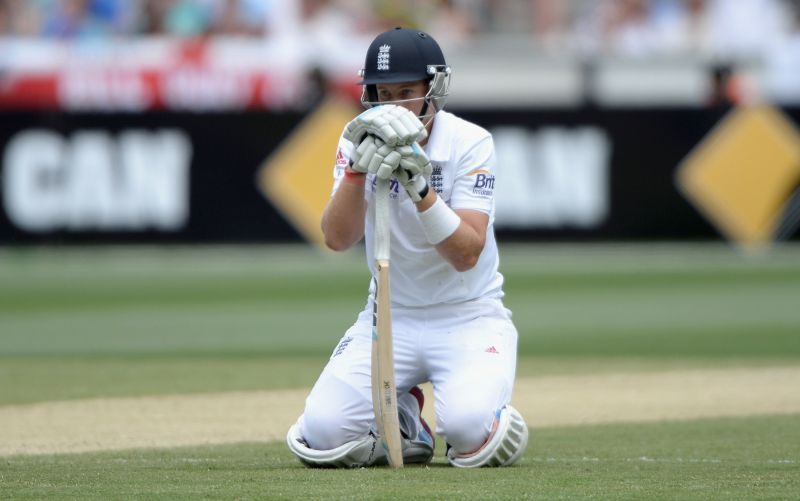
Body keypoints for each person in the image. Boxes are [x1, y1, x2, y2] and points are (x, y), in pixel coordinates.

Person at [286, 27, 528, 468]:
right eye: (381, 93)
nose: (392, 106)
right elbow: (337, 239)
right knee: (320, 435)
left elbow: (466, 253)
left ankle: (470, 417)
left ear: (432, 89)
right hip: (388, 317)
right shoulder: (355, 136)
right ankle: (404, 421)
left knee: (472, 434)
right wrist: (358, 171)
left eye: (405, 92)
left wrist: (419, 187)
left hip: (468, 316)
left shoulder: (470, 142)